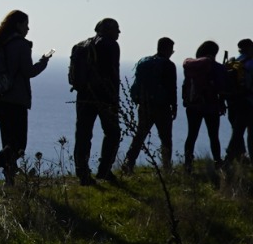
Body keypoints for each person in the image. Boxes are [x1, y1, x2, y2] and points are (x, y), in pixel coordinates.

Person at [0, 10, 52, 189]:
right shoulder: (20, 45)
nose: (28, 28)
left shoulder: (0, 43)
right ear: (18, 25)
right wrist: (43, 62)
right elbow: (28, 72)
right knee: (18, 145)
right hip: (15, 100)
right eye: (26, 24)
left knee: (8, 142)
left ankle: (10, 181)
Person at [72, 18, 121, 185]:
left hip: (84, 95)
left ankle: (82, 173)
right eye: (116, 29)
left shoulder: (82, 44)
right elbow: (113, 72)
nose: (119, 32)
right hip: (104, 96)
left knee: (83, 134)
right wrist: (115, 98)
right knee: (113, 133)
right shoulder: (111, 45)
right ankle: (104, 171)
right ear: (108, 30)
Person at [121, 37, 178, 171]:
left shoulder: (145, 62)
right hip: (162, 107)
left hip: (144, 105)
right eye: (172, 50)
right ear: (168, 49)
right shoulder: (168, 65)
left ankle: (128, 163)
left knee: (140, 136)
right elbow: (172, 88)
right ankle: (167, 167)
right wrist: (174, 106)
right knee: (166, 138)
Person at [181, 41, 227, 170]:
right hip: (211, 105)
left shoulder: (192, 66)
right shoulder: (217, 67)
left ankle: (188, 163)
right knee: (213, 136)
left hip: (193, 105)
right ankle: (218, 162)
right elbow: (221, 88)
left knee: (191, 135)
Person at [223, 39, 253, 164]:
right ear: (248, 49)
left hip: (232, 100)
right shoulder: (252, 64)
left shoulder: (233, 62)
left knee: (237, 129)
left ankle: (240, 157)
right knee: (239, 131)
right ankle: (229, 158)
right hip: (246, 101)